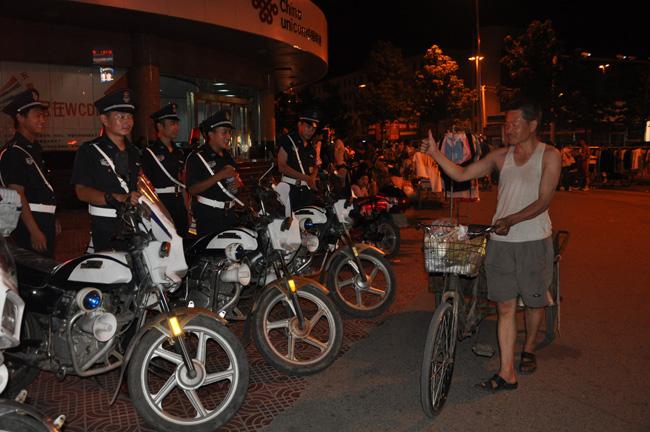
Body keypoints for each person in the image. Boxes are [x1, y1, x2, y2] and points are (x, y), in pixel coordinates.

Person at [422, 98, 561, 392]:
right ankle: (507, 372)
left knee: (534, 301)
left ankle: (529, 348)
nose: (508, 129)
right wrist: (435, 153)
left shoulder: (550, 155)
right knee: (505, 306)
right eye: (506, 124)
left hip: (534, 241)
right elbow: (461, 174)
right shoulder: (500, 156)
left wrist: (512, 219)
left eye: (514, 124)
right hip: (500, 243)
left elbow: (544, 200)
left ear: (532, 125)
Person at [71, 89, 141, 252]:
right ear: (104, 119)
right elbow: (81, 191)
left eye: (130, 116)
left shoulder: (135, 152)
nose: (127, 121)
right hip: (106, 226)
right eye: (120, 116)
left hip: (135, 223)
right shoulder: (89, 151)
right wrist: (118, 198)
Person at [0, 89, 59, 257]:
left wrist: (52, 216)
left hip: (44, 219)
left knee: (47, 267)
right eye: (37, 116)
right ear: (20, 118)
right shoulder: (14, 151)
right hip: (29, 222)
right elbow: (17, 193)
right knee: (34, 269)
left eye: (43, 116)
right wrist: (34, 230)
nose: (42, 120)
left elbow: (42, 186)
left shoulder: (34, 148)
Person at [185, 111, 242, 237]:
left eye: (229, 132)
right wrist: (220, 175)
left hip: (230, 215)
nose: (229, 137)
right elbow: (192, 189)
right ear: (211, 134)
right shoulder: (197, 157)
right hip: (209, 218)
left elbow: (232, 184)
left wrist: (237, 184)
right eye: (224, 132)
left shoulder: (227, 156)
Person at [142, 103, 188, 236]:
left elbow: (182, 182)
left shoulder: (179, 152)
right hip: (161, 203)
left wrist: (187, 208)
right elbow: (145, 185)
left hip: (179, 203)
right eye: (172, 124)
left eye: (177, 124)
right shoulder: (149, 152)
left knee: (182, 237)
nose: (176, 127)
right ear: (159, 126)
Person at [276, 109, 320, 213]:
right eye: (308, 127)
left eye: (313, 129)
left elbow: (315, 165)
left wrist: (313, 176)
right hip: (291, 190)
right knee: (292, 221)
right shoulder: (287, 140)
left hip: (307, 192)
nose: (311, 131)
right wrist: (307, 178)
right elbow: (281, 166)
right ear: (299, 124)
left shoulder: (311, 147)